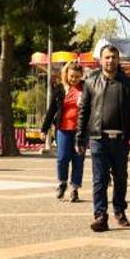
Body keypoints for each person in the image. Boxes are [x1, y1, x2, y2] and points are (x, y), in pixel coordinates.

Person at [76, 43, 130, 232]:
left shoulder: (128, 83)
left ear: (118, 60)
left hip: (120, 139)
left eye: (114, 57)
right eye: (107, 57)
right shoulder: (91, 82)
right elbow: (84, 111)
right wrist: (79, 137)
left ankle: (119, 210)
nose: (110, 61)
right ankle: (100, 215)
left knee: (120, 177)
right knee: (99, 179)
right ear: (100, 60)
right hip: (98, 138)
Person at [43, 61, 86, 202]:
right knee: (62, 158)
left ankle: (74, 188)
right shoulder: (60, 89)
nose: (74, 79)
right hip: (63, 129)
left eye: (77, 77)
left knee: (78, 160)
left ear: (81, 76)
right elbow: (52, 110)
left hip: (80, 131)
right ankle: (62, 183)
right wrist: (45, 128)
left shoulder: (85, 88)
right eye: (72, 76)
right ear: (66, 74)